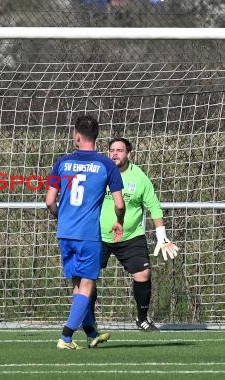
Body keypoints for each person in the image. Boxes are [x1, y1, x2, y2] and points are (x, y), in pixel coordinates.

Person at [45, 114, 125, 350]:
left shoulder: (61, 163)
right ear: (96, 138)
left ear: (77, 136)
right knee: (88, 284)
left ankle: (91, 332)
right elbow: (119, 204)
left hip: (65, 232)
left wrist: (64, 218)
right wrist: (119, 221)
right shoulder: (106, 165)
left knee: (78, 284)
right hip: (88, 234)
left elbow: (50, 201)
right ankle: (66, 337)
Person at [97, 137, 179, 331]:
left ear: (129, 154)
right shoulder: (101, 172)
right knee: (87, 276)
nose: (115, 153)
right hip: (99, 235)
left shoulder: (139, 177)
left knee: (143, 273)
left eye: (120, 150)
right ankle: (87, 319)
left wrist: (161, 235)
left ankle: (142, 319)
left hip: (131, 236)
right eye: (112, 150)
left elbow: (154, 206)